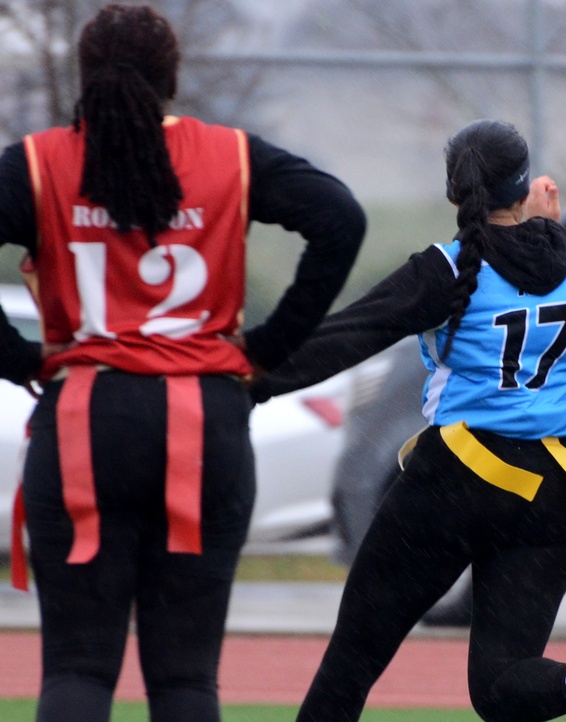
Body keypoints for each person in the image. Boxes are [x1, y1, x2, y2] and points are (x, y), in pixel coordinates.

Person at [0, 5, 366, 721]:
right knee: (184, 680)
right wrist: (267, 347)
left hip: (86, 419)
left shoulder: (40, 163)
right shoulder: (229, 154)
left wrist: (20, 361)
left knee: (77, 668)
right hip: (204, 419)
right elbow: (339, 220)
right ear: (170, 78)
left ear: (84, 76)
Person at [250, 118, 566, 722]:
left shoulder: (449, 270)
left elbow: (348, 336)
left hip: (452, 482)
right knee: (500, 684)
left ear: (456, 194)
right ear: (525, 189)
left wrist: (251, 378)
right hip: (550, 494)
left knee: (353, 660)